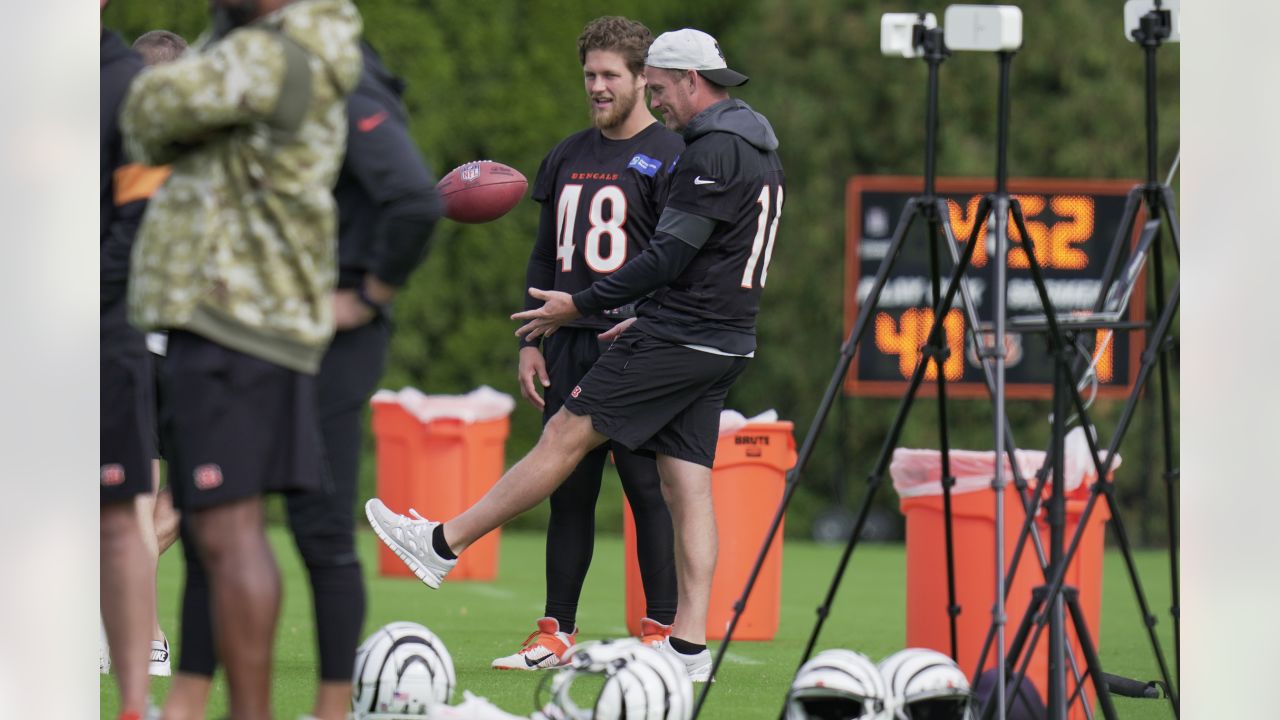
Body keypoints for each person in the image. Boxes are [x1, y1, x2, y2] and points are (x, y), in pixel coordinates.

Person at [367, 27, 785, 683]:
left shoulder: (710, 147)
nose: (657, 101)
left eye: (656, 87)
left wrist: (584, 306)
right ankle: (689, 647)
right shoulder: (755, 139)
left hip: (677, 333)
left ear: (687, 79)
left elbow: (670, 253)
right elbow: (708, 256)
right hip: (721, 337)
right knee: (687, 483)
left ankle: (442, 544)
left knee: (565, 437)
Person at [169, 40, 443, 720]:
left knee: (319, 532)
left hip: (327, 345)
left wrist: (366, 294)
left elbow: (415, 201)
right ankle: (188, 701)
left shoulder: (341, 77)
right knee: (217, 526)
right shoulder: (226, 64)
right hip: (239, 334)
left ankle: (329, 710)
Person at [120, 1, 362, 718]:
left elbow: (145, 112)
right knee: (224, 530)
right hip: (250, 318)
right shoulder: (274, 46)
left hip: (235, 318)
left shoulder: (267, 55)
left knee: (226, 533)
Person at [492, 15, 683, 672]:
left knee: (644, 488)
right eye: (590, 76)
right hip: (569, 344)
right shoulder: (568, 153)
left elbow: (676, 257)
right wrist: (529, 340)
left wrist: (655, 323)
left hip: (633, 343)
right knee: (566, 490)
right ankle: (554, 634)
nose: (598, 88)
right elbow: (546, 255)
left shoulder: (670, 155)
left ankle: (662, 635)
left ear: (639, 79)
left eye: (610, 76)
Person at [100, 8, 158, 718]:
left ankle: (135, 706)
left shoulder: (133, 91)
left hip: (100, 332)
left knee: (117, 520)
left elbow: (138, 223)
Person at [132, 27, 188, 680]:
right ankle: (147, 636)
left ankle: (124, 610)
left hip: (180, 350)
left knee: (164, 510)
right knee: (150, 503)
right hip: (153, 347)